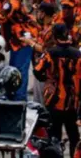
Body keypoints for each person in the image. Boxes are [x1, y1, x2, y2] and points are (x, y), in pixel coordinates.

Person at [33, 23, 81, 157]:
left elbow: (37, 71)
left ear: (54, 36)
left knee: (54, 137)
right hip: (72, 103)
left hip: (53, 101)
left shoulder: (50, 53)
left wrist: (47, 79)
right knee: (74, 136)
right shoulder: (78, 54)